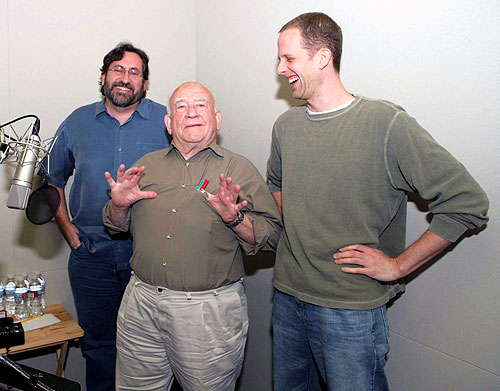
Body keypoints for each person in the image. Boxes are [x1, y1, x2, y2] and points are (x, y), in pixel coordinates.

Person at [267, 12, 489, 391]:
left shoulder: (385, 124)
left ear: (322, 57)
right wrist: (304, 225)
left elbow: (467, 202)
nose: (280, 68)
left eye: (288, 59)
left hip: (349, 311)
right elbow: (276, 182)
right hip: (288, 298)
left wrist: (398, 266)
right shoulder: (285, 126)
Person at [102, 81, 282, 391]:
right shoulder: (146, 166)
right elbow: (115, 224)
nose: (191, 113)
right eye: (181, 107)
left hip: (206, 313)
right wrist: (118, 206)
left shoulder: (239, 169)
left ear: (217, 118)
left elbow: (273, 236)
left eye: (201, 105)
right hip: (140, 303)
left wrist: (235, 218)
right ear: (169, 122)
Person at [45, 42, 170, 391]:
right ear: (103, 77)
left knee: (152, 352)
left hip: (149, 259)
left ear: (144, 83)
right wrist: (69, 230)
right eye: (118, 70)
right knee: (99, 350)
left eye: (134, 72)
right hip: (91, 259)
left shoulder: (166, 121)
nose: (125, 79)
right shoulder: (77, 121)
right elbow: (51, 181)